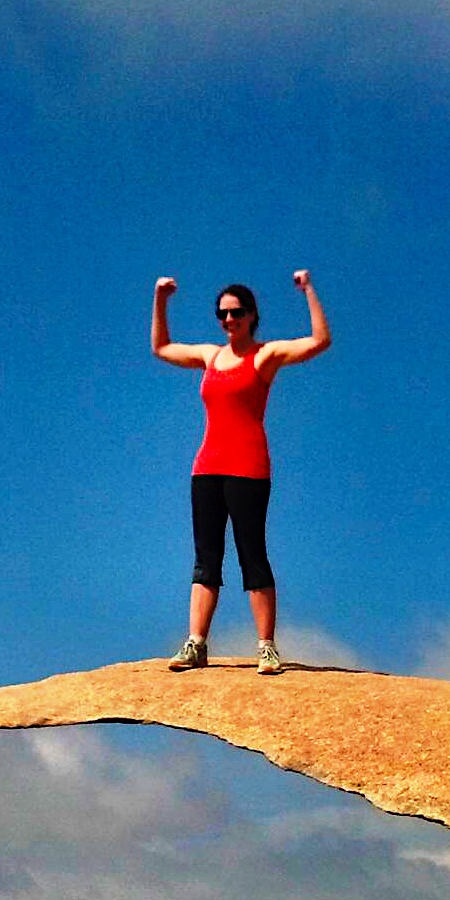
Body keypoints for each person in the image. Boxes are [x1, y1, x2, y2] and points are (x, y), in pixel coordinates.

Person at [150, 269, 330, 674]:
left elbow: (320, 341)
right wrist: (160, 299)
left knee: (253, 556)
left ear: (251, 316)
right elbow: (161, 347)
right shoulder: (211, 357)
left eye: (236, 313)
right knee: (205, 558)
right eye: (222, 314)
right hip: (207, 467)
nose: (228, 320)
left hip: (248, 468)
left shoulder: (265, 356)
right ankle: (196, 644)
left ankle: (266, 647)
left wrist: (308, 290)